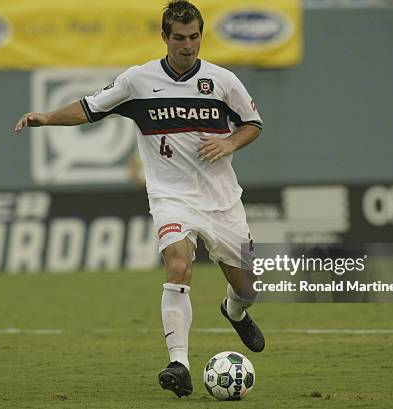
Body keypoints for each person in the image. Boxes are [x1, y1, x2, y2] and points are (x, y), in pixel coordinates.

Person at [14, 0, 264, 398]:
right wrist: (46, 117)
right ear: (164, 38)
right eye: (179, 38)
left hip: (223, 201)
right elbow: (89, 108)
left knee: (249, 286)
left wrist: (229, 141)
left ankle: (235, 310)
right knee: (178, 265)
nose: (188, 46)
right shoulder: (138, 80)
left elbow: (253, 123)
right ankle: (178, 363)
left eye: (195, 36)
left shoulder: (223, 81)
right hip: (170, 197)